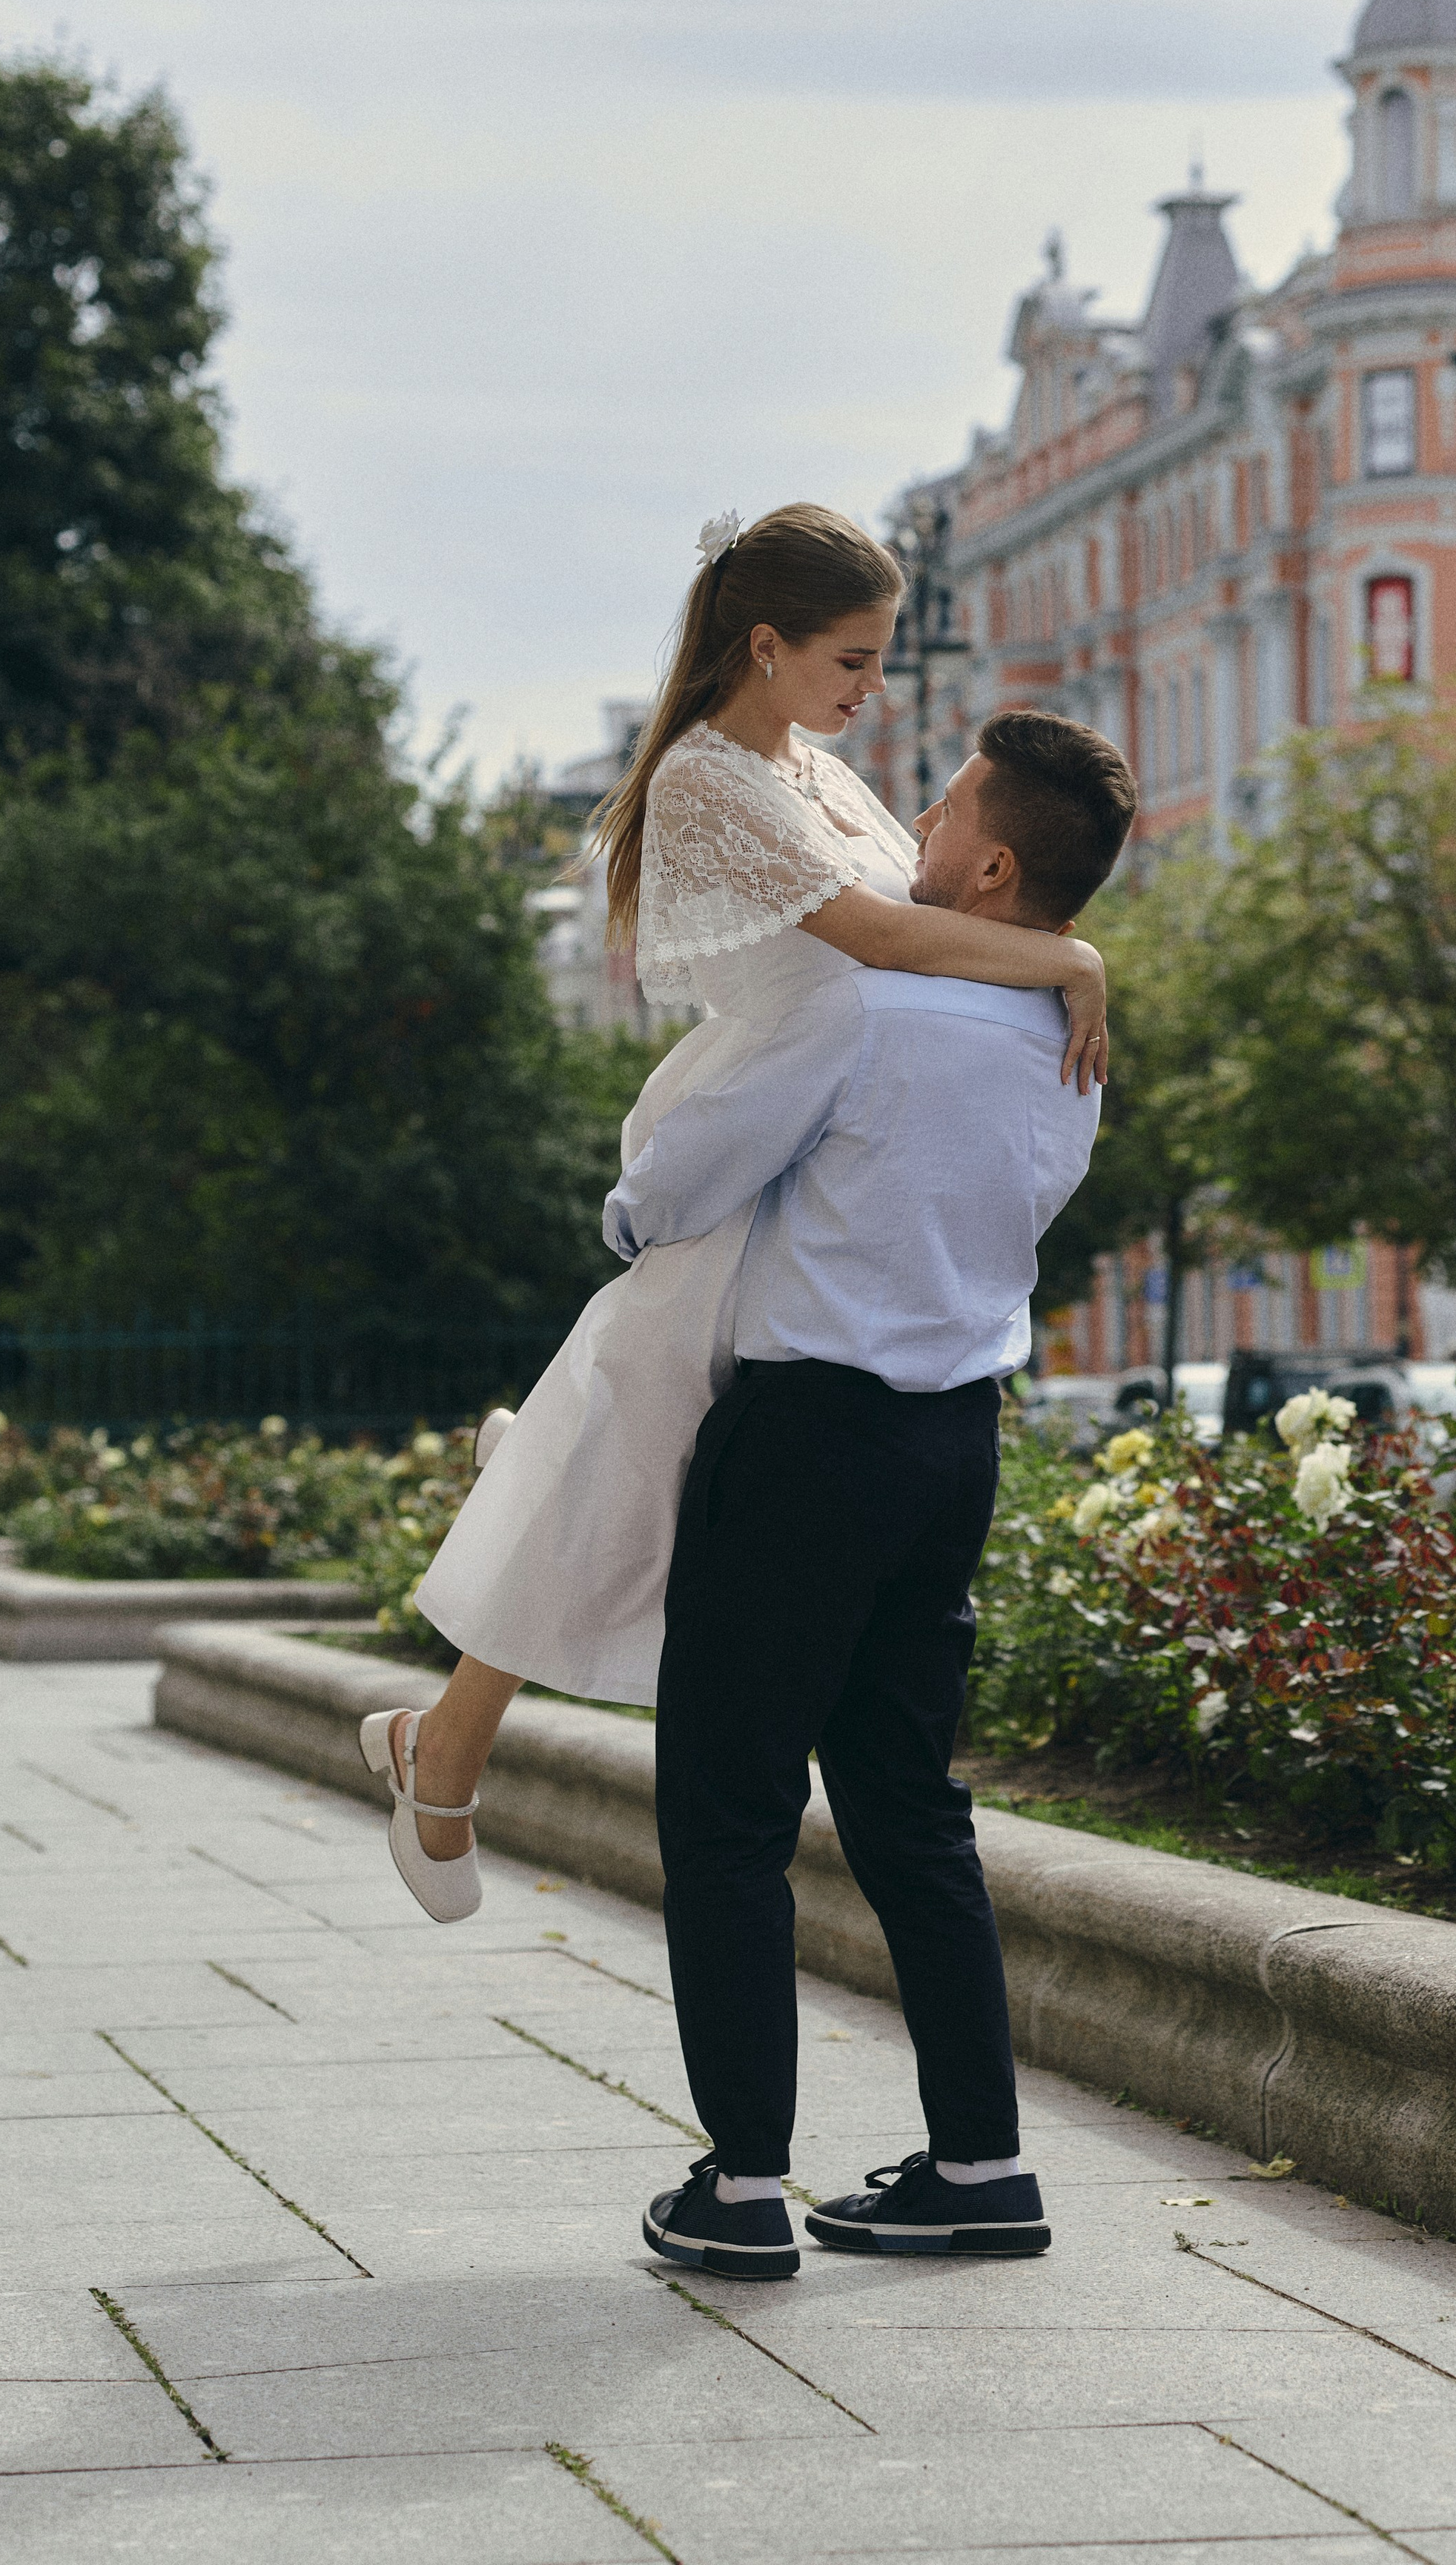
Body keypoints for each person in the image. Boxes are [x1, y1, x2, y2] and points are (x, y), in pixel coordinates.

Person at [358, 506, 1111, 1922]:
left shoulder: (812, 768)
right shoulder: (709, 780)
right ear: (764, 646)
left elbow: (922, 935)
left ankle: (483, 1630)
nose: (872, 688)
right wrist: (1073, 960)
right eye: (851, 659)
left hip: (816, 1139)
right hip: (753, 1130)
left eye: (880, 659)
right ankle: (519, 1541)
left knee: (648, 1450)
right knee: (657, 1439)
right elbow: (883, 940)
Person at [621, 712, 1135, 2279]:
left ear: (991, 868)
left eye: (948, 805)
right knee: (911, 1812)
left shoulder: (862, 1009)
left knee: (727, 1813)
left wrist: (629, 1214)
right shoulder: (1067, 1038)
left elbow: (675, 1182)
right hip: (950, 1449)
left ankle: (741, 2187)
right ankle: (981, 2164)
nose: (914, 821)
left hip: (807, 1442)